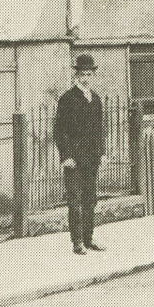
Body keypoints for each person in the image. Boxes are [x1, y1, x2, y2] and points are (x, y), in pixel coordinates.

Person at [55, 53, 107, 255]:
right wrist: (66, 156)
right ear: (76, 75)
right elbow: (60, 130)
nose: (86, 78)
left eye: (89, 74)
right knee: (75, 201)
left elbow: (100, 129)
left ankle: (89, 238)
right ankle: (77, 242)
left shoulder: (96, 100)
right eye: (82, 74)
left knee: (90, 199)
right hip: (74, 160)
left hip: (92, 159)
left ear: (93, 75)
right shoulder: (67, 99)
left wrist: (102, 152)